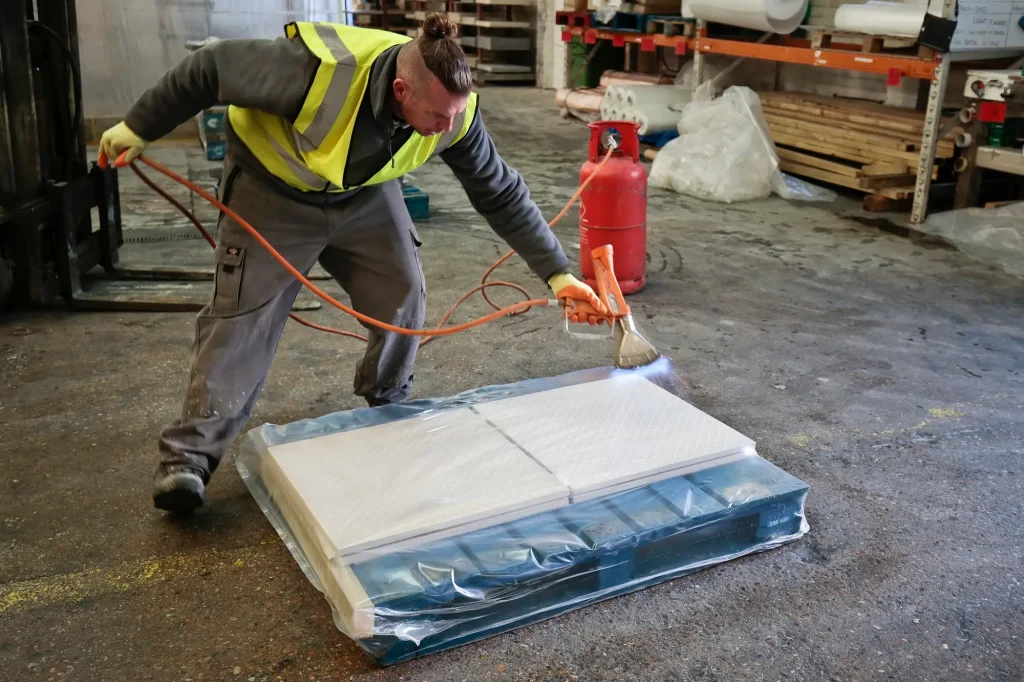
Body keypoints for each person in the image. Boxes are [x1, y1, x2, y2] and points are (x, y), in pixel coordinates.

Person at [97, 13, 607, 514]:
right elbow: (208, 68)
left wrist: (559, 275)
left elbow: (500, 192)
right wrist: (138, 127)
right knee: (242, 319)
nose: (447, 129)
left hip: (362, 194)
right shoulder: (311, 72)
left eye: (456, 114)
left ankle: (388, 399)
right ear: (402, 91)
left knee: (401, 291)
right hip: (270, 190)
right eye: (438, 116)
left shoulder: (452, 111)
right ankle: (188, 458)